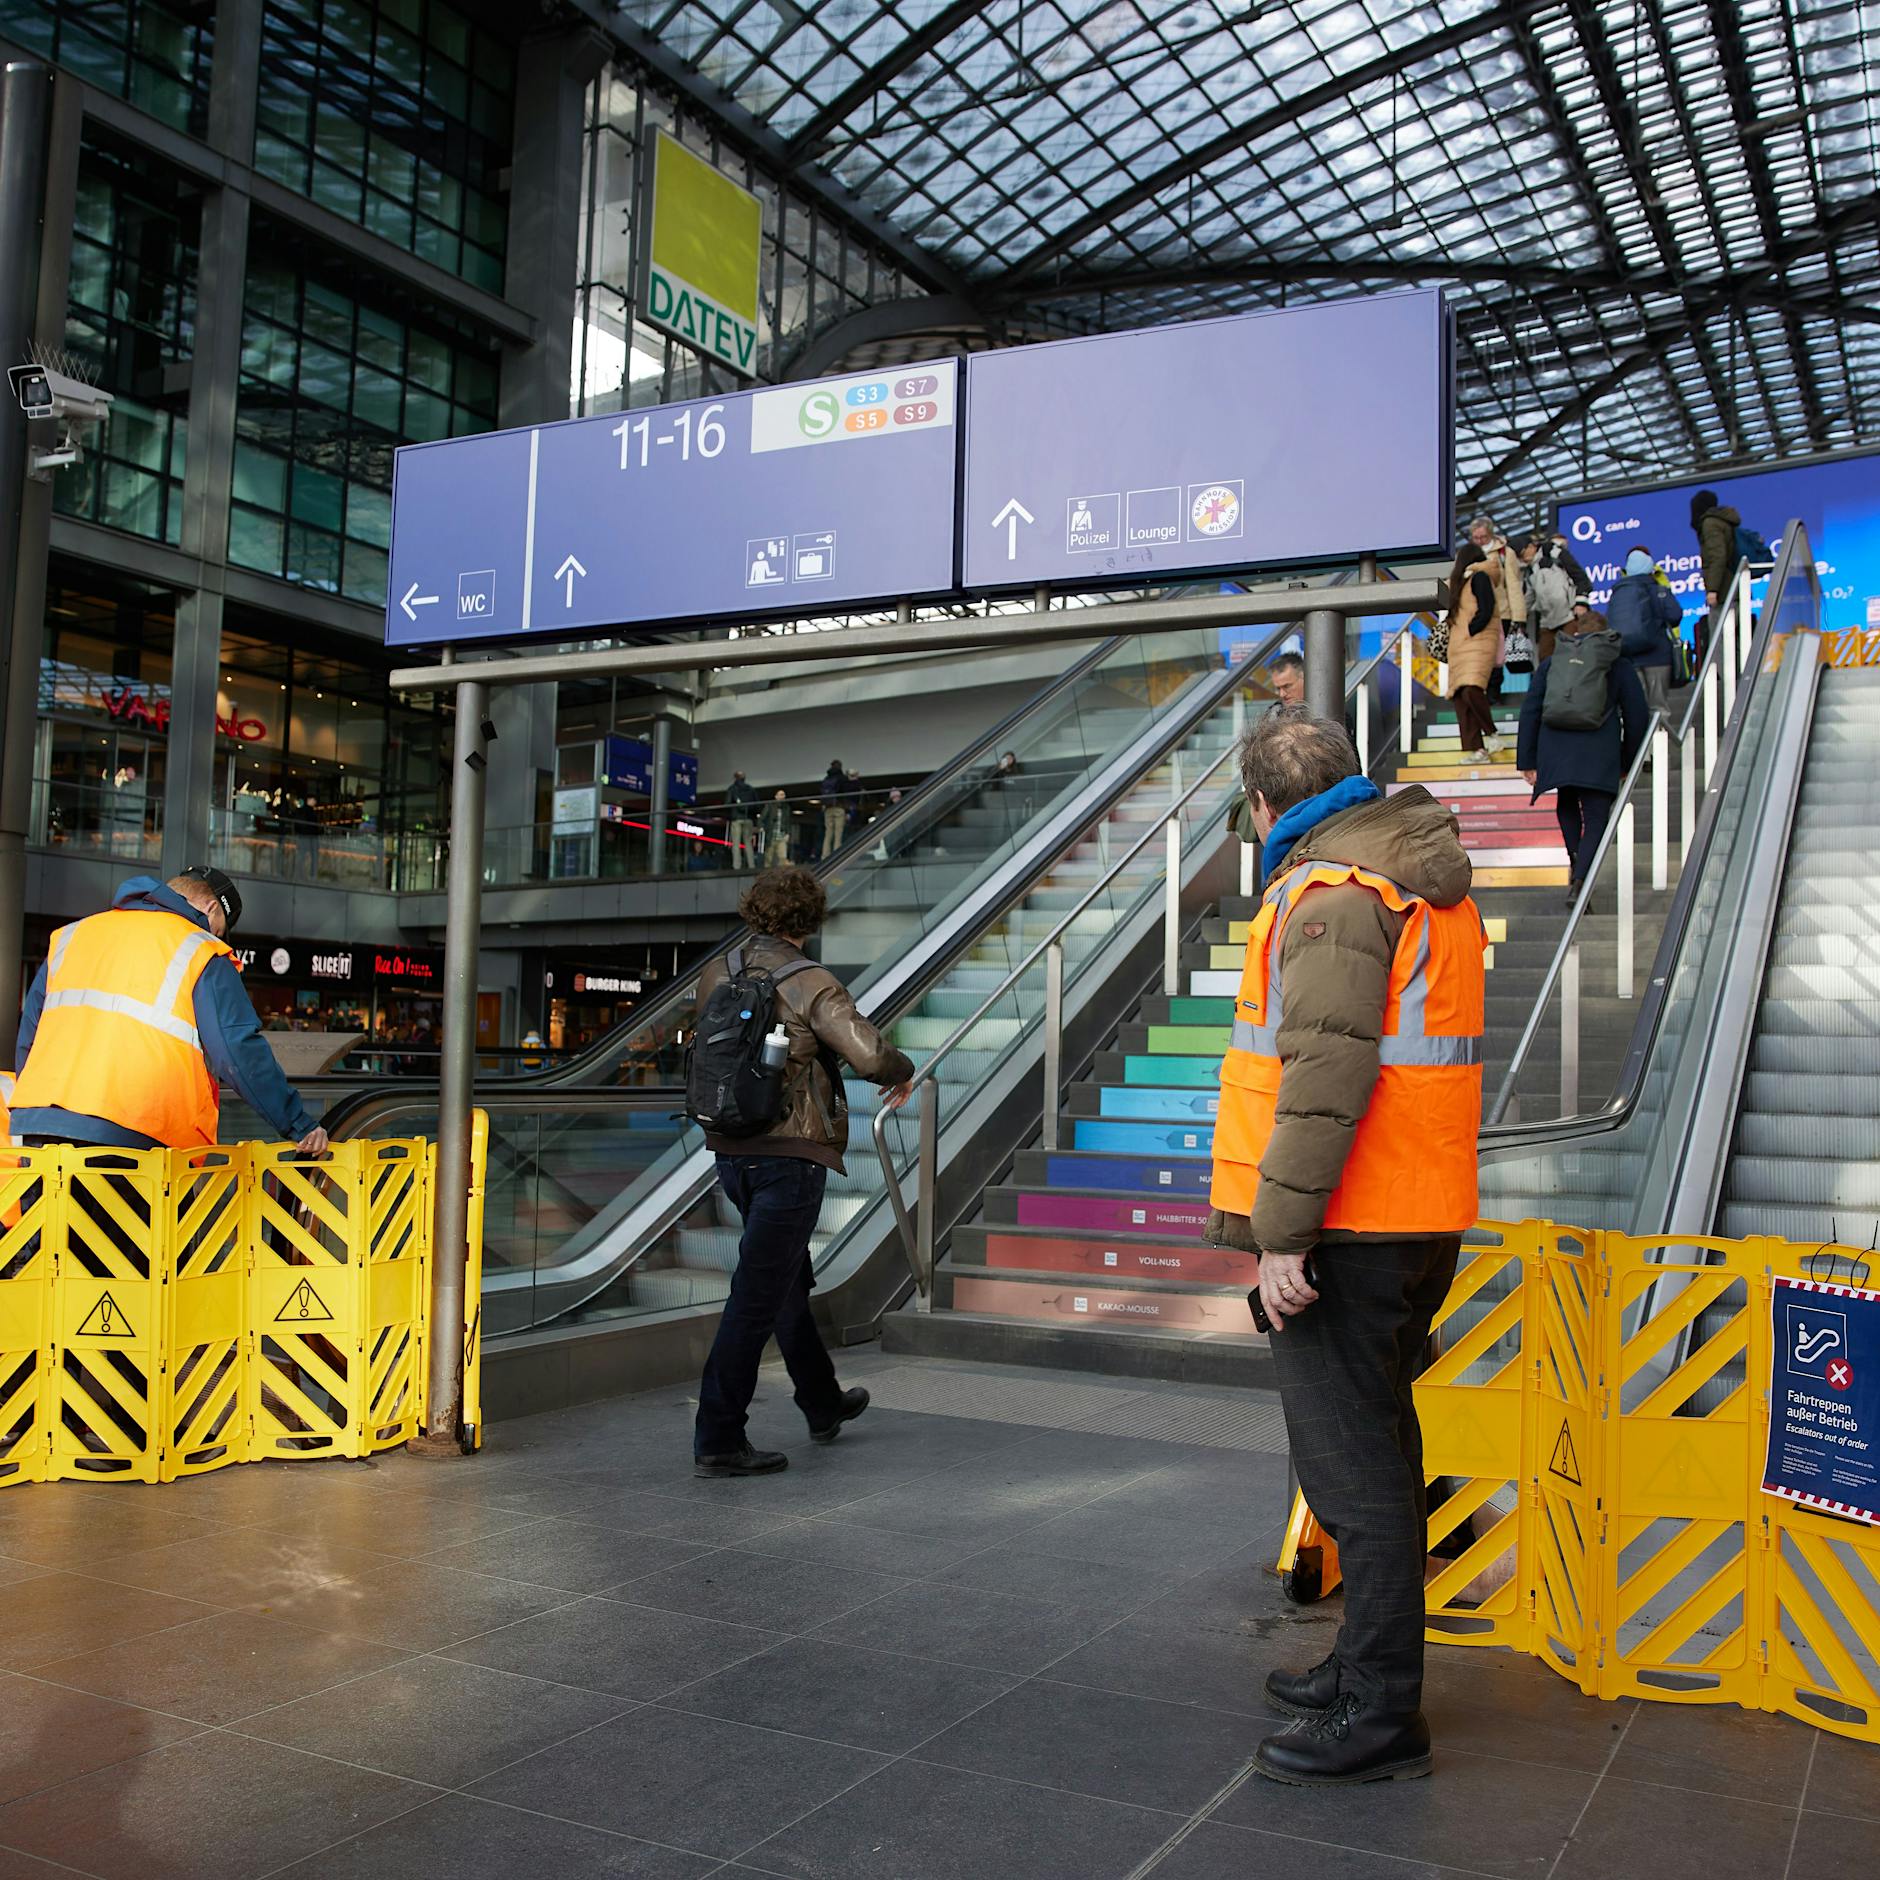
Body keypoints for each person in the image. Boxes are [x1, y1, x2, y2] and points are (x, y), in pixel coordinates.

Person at [1205, 706, 1484, 1785]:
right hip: (1411, 1208)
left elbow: (1324, 1074)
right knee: (1378, 1442)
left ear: (1265, 805)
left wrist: (1282, 1237)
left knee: (1352, 1467)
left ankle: (1380, 1709)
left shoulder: (1332, 893)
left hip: (1349, 1220)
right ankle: (1358, 1662)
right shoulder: (1408, 873)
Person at [691, 866, 915, 1476]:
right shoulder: (811, 980)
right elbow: (867, 1054)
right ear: (810, 921)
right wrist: (903, 1069)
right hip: (789, 1156)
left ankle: (821, 1401)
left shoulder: (719, 971)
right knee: (755, 1298)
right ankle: (718, 1438)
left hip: (730, 1150)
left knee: (784, 1279)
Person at [11, 867, 329, 1156]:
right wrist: (297, 1123)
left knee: (51, 1222)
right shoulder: (200, 949)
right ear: (211, 908)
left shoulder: (74, 935)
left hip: (40, 1128)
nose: (215, 935)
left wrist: (42, 1110)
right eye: (219, 929)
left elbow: (29, 1035)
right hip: (132, 1134)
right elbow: (236, 1051)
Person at [1518, 609, 1650, 903]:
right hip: (1599, 750)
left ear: (1577, 632)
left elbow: (1530, 710)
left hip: (1556, 747)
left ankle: (1576, 861)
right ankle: (1580, 881)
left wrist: (1527, 760)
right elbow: (1637, 715)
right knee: (1596, 817)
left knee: (1566, 802)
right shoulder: (1618, 664)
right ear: (1606, 634)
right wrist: (1627, 760)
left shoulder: (1554, 663)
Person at [1446, 537, 1517, 754]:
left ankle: (1492, 734)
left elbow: (1486, 609)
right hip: (1460, 647)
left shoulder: (1480, 577)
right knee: (1459, 697)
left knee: (1471, 690)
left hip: (1475, 643)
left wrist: (1470, 630)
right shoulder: (1462, 581)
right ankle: (1474, 750)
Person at [1604, 545, 1683, 716]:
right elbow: (1675, 616)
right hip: (1658, 657)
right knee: (1658, 707)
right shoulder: (1658, 590)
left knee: (1635, 708)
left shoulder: (1617, 594)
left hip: (1628, 657)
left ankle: (1639, 742)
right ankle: (1658, 742)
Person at [1519, 532, 1589, 665]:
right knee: (1545, 661)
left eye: (1522, 553)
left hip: (1568, 616)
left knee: (1572, 658)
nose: (1522, 558)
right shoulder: (1530, 571)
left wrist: (1581, 602)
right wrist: (1519, 619)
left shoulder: (1557, 555)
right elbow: (1528, 598)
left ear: (1531, 547)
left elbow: (1580, 577)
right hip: (1546, 621)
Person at [1691, 488, 1743, 619]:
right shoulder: (1724, 521)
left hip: (1724, 592)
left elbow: (1718, 556)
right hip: (1733, 588)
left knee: (1719, 636)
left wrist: (1713, 590)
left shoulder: (1710, 524)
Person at [724, 771, 759, 871]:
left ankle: (737, 866)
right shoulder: (751, 789)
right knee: (748, 843)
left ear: (735, 778)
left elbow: (727, 803)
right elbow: (757, 804)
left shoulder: (732, 789)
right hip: (748, 819)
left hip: (736, 819)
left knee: (736, 844)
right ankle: (751, 865)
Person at [817, 760, 848, 859]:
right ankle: (836, 855)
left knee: (828, 833)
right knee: (838, 832)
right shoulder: (841, 778)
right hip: (838, 807)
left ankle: (825, 855)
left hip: (828, 808)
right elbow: (845, 791)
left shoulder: (826, 778)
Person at [761, 787, 794, 863]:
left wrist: (788, 833)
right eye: (781, 795)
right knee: (768, 858)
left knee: (783, 857)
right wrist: (762, 827)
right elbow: (762, 818)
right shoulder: (770, 806)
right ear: (776, 796)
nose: (783, 796)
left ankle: (781, 874)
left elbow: (788, 822)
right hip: (771, 835)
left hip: (782, 835)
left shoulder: (786, 808)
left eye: (784, 795)